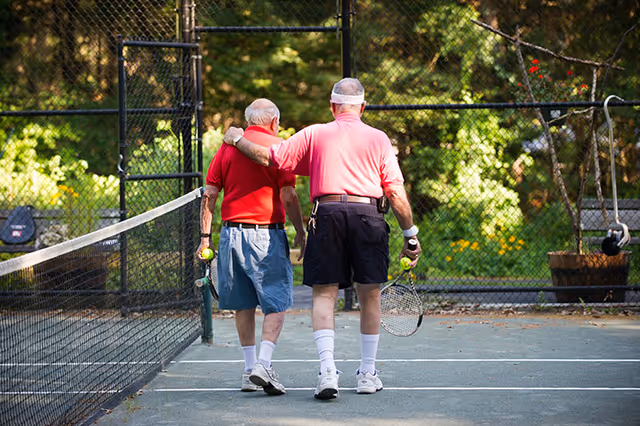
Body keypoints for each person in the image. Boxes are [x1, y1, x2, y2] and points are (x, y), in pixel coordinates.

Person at [222, 77, 422, 400]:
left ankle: (328, 371)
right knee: (370, 295)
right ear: (363, 107)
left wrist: (236, 140)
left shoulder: (315, 134)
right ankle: (367, 375)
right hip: (368, 216)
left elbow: (269, 157)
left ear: (332, 107)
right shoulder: (379, 138)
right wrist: (410, 235)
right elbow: (395, 192)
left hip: (326, 215)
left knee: (324, 295)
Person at [198, 98, 306, 396]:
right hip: (266, 236)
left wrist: (205, 238)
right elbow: (288, 196)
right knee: (277, 303)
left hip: (231, 236)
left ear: (249, 121)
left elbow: (209, 195)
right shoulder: (279, 148)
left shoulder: (228, 146)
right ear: (274, 122)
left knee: (243, 304)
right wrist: (301, 231)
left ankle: (248, 371)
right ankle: (263, 364)